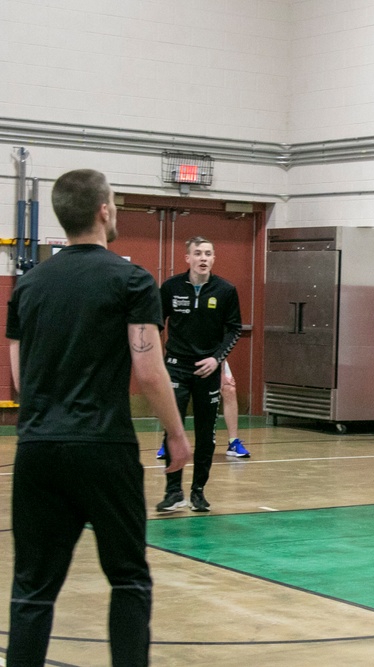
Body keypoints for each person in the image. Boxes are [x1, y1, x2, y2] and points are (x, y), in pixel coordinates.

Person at [6, 168, 192, 665]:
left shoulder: (28, 284)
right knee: (129, 579)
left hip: (38, 449)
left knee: (32, 589)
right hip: (103, 449)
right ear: (104, 211)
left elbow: (22, 378)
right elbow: (150, 372)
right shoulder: (131, 279)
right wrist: (177, 434)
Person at [155, 236, 242, 513]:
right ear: (188, 258)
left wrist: (216, 360)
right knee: (173, 429)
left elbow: (234, 329)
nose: (203, 258)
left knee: (206, 434)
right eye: (198, 253)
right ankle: (173, 491)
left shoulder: (226, 290)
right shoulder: (170, 287)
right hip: (176, 367)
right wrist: (157, 360)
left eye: (208, 253)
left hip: (208, 370)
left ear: (213, 259)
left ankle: (198, 491)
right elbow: (155, 322)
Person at [157, 359, 249, 459]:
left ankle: (233, 442)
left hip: (210, 359)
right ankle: (168, 442)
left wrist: (221, 374)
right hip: (182, 359)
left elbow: (221, 346)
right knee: (173, 394)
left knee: (229, 389)